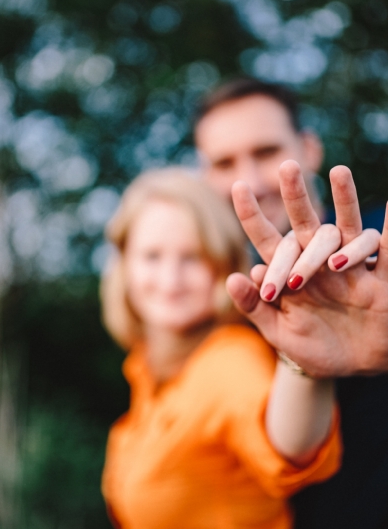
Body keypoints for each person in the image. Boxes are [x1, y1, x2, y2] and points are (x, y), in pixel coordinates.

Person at [193, 78, 388, 528]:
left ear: (309, 148)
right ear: (205, 177)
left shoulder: (378, 240)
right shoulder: (223, 298)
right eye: (224, 162)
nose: (249, 180)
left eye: (266, 152)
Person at [99, 169, 343, 529]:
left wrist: (304, 354)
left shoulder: (229, 359)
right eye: (152, 256)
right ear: (125, 266)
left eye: (192, 257)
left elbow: (289, 446)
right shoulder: (146, 371)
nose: (170, 280)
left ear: (223, 263)